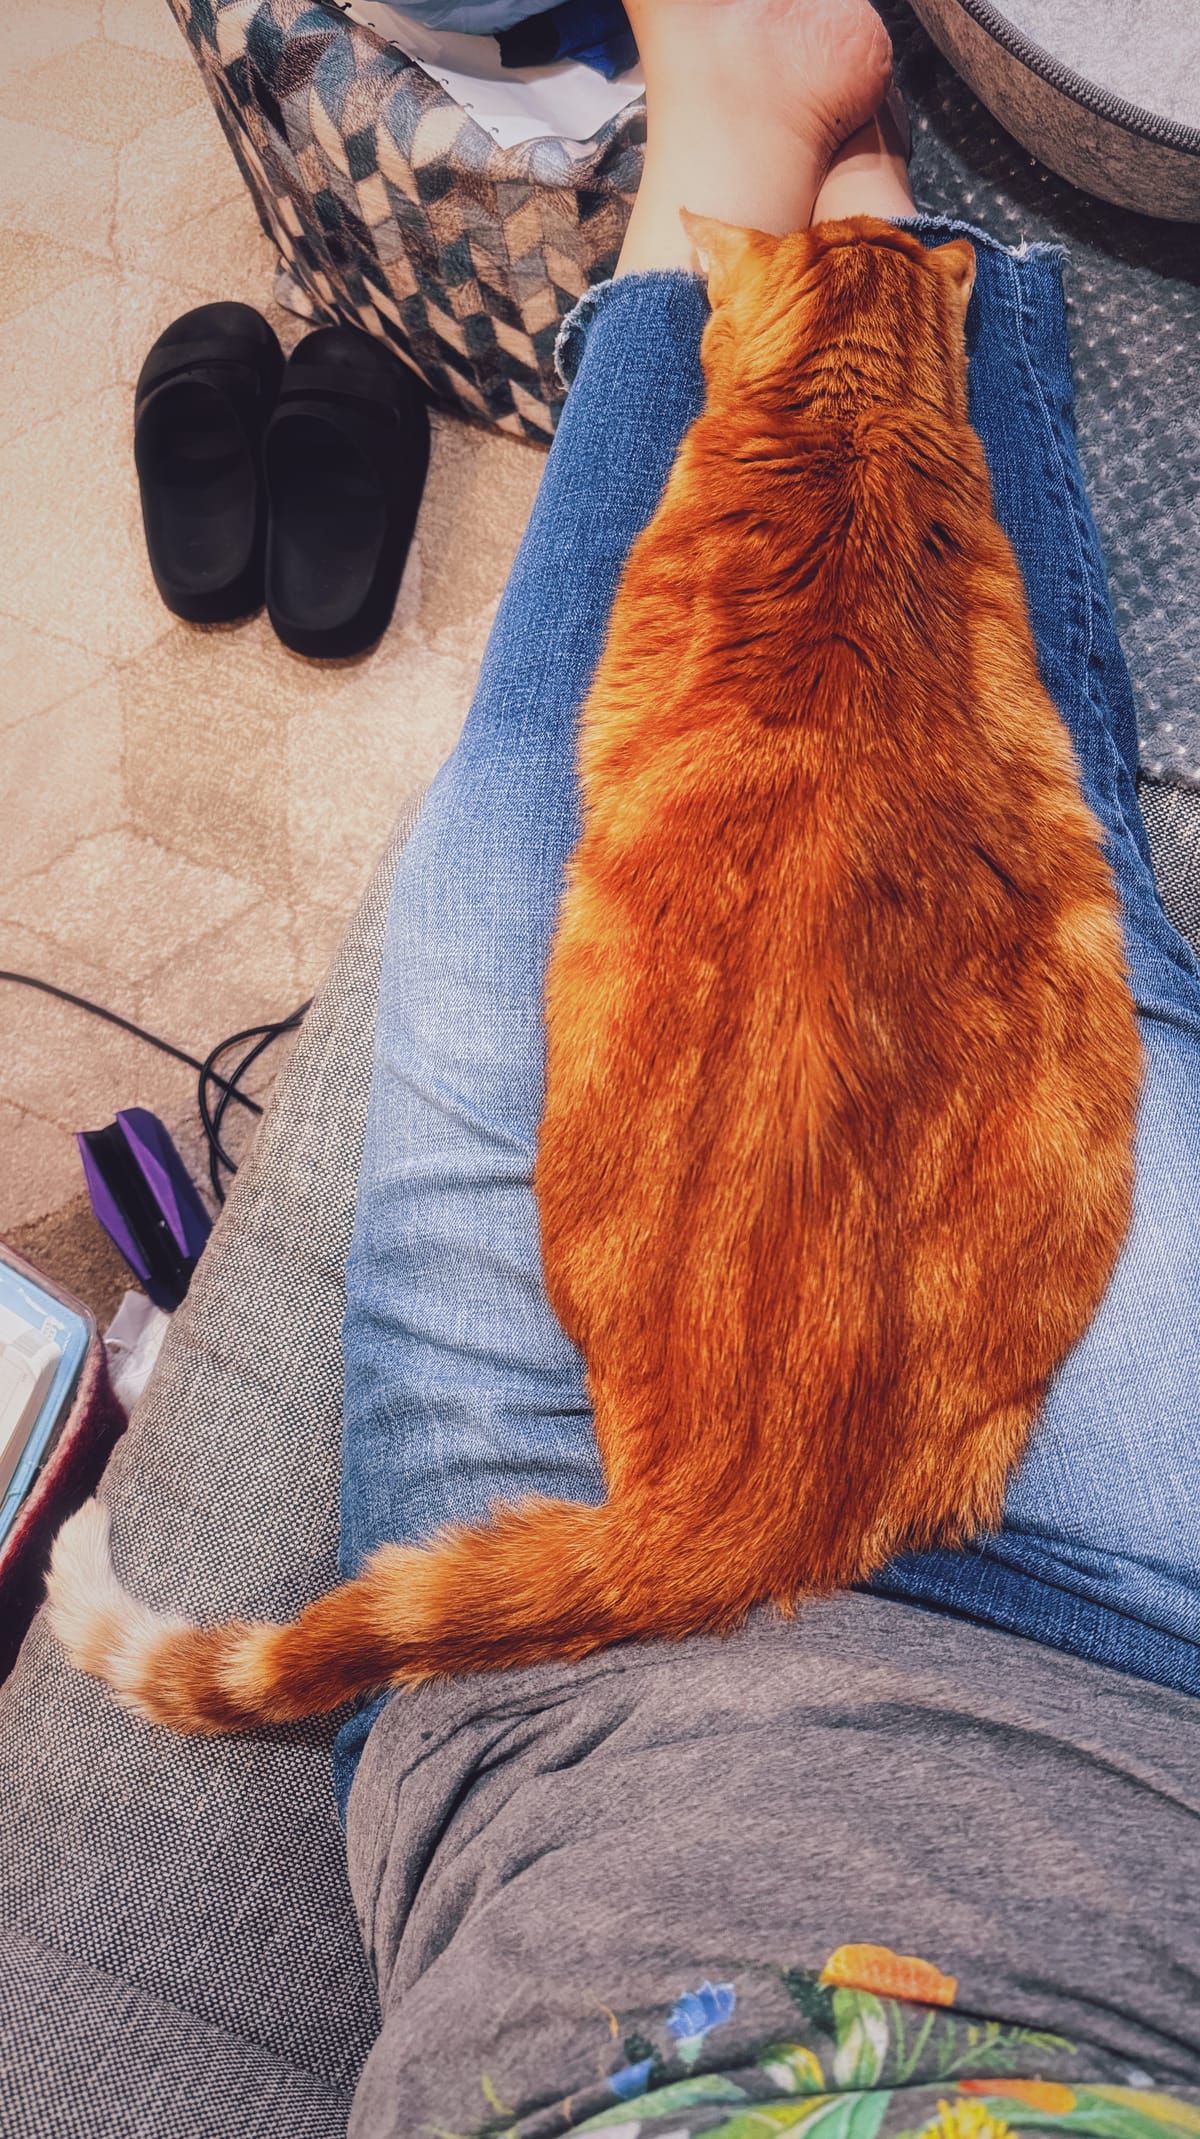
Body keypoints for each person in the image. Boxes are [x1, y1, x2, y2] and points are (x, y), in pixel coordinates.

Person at [335, 3, 1200, 2130]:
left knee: (549, 821)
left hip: (560, 1689)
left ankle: (763, 121)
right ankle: (855, 189)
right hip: (1128, 1686)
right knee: (980, 817)